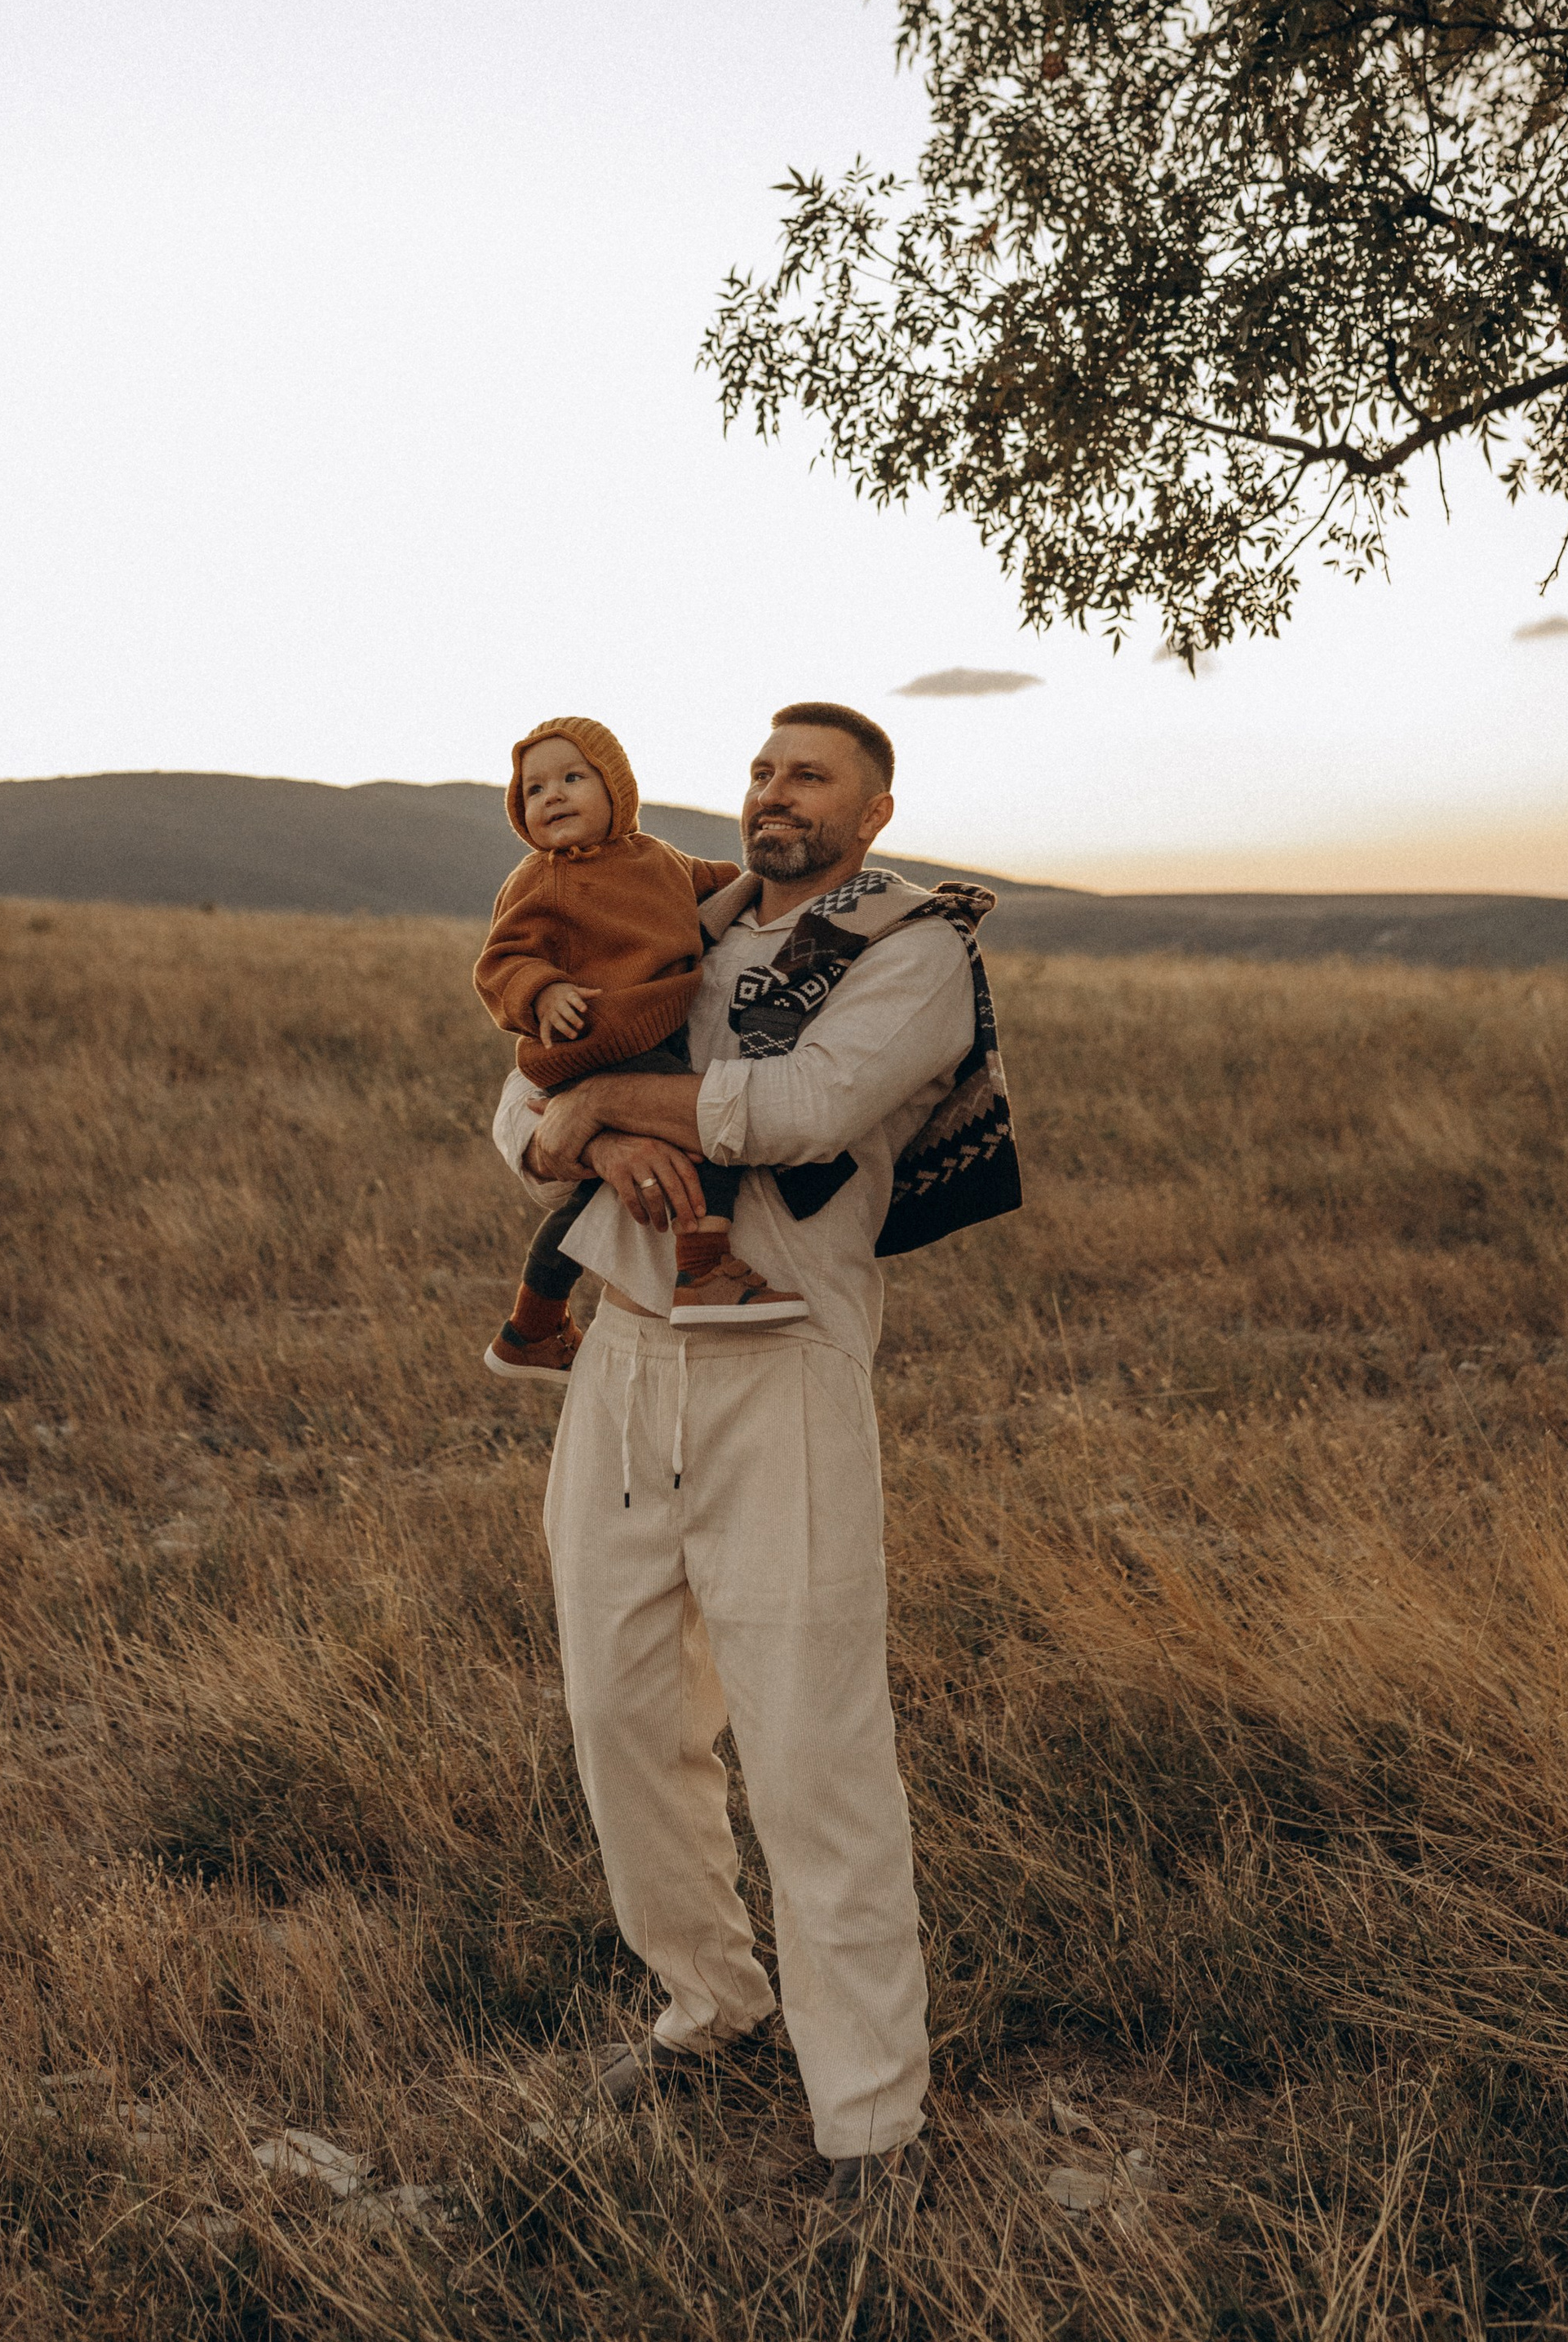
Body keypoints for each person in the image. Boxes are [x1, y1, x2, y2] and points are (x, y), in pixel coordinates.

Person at [489, 702, 1022, 2234]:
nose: (775, 796)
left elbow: (795, 1112)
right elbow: (512, 1101)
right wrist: (586, 1139)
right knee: (619, 1708)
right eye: (763, 771)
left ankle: (872, 2118)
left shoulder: (911, 949)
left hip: (783, 1372)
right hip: (626, 1361)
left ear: (872, 809)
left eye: (812, 779)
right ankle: (708, 2012)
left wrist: (592, 1101)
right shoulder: (666, 906)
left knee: (811, 1750)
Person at [474, 717, 807, 1382]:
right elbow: (502, 960)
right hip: (596, 1041)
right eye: (534, 788)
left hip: (650, 1036)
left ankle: (532, 1323)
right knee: (709, 1123)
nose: (553, 796)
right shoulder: (538, 881)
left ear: (616, 790)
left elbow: (724, 884)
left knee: (590, 1200)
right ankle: (704, 1268)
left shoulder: (658, 857)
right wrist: (542, 993)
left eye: (573, 778)